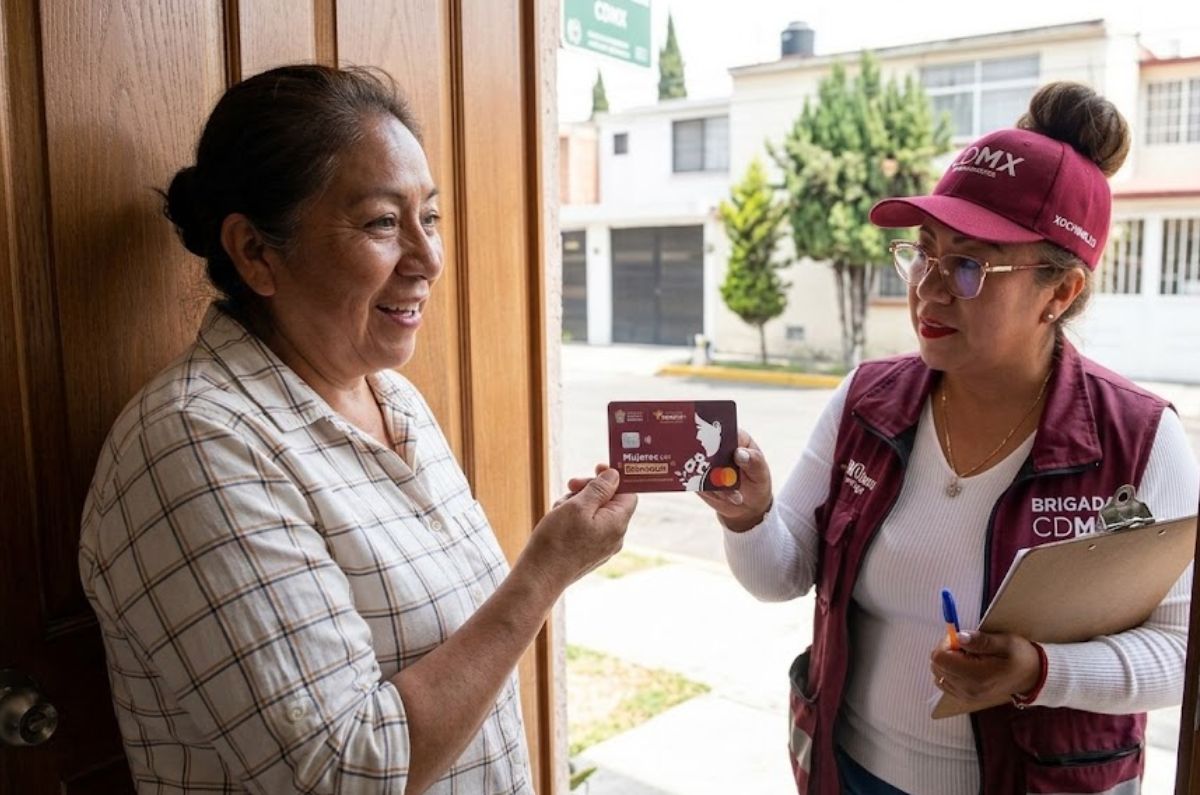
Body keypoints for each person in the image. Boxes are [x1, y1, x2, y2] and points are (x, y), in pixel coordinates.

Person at [78, 64, 635, 794]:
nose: (429, 259)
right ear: (256, 252)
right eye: (381, 222)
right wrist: (543, 575)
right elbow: (350, 771)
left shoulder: (394, 398)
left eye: (428, 217)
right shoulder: (197, 445)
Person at [700, 82, 1200, 794]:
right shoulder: (866, 401)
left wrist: (1042, 671)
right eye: (924, 253)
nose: (928, 288)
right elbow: (781, 575)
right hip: (852, 772)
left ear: (1059, 292)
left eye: (969, 265)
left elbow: (1182, 651)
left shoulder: (1139, 439)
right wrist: (748, 516)